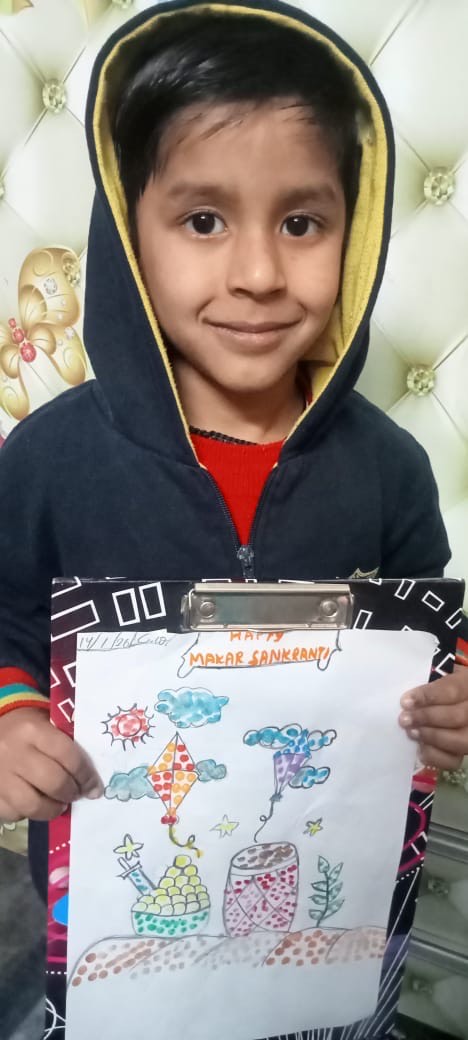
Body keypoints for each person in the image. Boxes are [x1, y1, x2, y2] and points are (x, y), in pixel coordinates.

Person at [0, 0, 467, 902]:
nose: (258, 275)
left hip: (326, 900)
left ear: (356, 233)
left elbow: (431, 640)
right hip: (111, 902)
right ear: (128, 233)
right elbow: (6, 618)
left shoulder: (392, 470)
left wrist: (452, 698)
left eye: (302, 224)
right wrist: (12, 718)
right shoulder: (48, 461)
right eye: (205, 220)